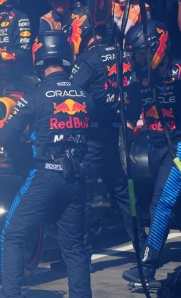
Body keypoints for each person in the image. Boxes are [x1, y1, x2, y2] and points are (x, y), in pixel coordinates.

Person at [0, 30, 92, 298]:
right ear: (67, 57)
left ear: (39, 58)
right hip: (77, 179)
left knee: (12, 236)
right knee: (74, 249)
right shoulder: (85, 97)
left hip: (44, 175)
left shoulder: (36, 95)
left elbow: (6, 136)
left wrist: (22, 157)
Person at [67, 6, 147, 271]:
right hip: (116, 130)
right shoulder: (125, 54)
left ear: (83, 31)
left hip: (92, 136)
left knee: (84, 194)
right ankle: (143, 247)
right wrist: (128, 120)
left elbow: (71, 96)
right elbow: (138, 91)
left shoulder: (87, 60)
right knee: (124, 191)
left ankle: (82, 258)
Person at [123, 20, 181, 283]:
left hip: (177, 148)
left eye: (142, 53)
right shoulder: (140, 78)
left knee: (162, 204)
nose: (138, 59)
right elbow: (131, 112)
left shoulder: (178, 74)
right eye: (135, 55)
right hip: (154, 147)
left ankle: (147, 266)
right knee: (158, 204)